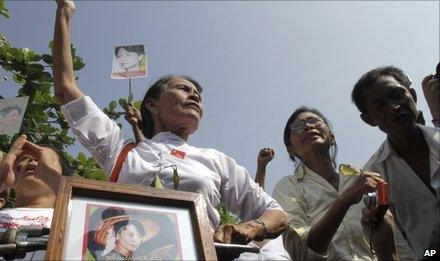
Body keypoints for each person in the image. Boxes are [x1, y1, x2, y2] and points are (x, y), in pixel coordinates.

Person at [52, 1, 290, 259]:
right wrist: (65, 11)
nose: (195, 96)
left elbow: (276, 213)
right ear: (152, 104)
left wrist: (251, 227)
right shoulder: (121, 151)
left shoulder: (216, 160)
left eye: (198, 94)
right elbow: (66, 88)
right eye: (183, 89)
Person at [272, 106, 414, 260]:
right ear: (291, 150)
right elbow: (300, 250)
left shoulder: (361, 178)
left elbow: (396, 241)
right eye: (298, 126)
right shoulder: (287, 187)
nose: (308, 126)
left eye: (314, 120)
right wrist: (345, 199)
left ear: (332, 138)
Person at [352, 66, 439, 259]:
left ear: (413, 95)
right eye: (380, 105)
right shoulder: (375, 175)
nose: (394, 107)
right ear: (369, 119)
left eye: (397, 95)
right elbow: (400, 247)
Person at [0, 135, 73, 260]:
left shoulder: (71, 219)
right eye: (26, 158)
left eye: (43, 159)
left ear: (63, 175)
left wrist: (51, 176)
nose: (33, 162)